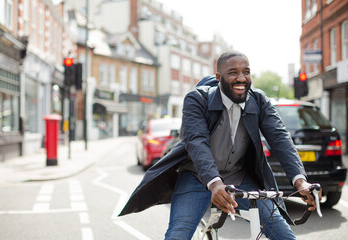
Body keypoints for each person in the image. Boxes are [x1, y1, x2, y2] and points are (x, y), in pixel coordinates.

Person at [119, 50, 321, 240]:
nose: (241, 78)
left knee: (283, 233)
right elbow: (197, 141)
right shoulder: (197, 99)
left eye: (246, 72)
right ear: (218, 77)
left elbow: (280, 138)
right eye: (233, 73)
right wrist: (214, 183)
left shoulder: (258, 100)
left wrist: (300, 181)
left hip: (238, 177)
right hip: (197, 176)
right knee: (178, 234)